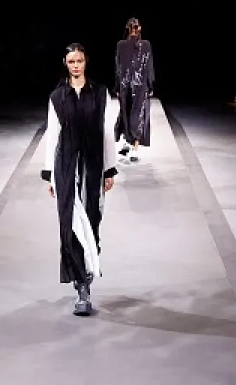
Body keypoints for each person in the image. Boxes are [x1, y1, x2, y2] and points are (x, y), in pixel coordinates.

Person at [42, 43, 119, 317]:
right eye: (72, 61)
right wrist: (50, 174)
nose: (76, 65)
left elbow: (107, 132)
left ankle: (87, 271)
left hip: (93, 165)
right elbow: (52, 136)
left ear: (86, 62)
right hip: (65, 166)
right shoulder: (57, 97)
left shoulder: (100, 93)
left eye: (80, 60)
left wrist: (110, 169)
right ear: (65, 62)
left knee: (91, 219)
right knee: (69, 224)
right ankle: (81, 288)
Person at [114, 18, 154, 162]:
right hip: (138, 85)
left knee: (128, 113)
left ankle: (131, 145)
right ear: (140, 28)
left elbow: (118, 68)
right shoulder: (145, 45)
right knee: (137, 115)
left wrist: (117, 86)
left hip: (127, 84)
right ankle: (132, 146)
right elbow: (148, 66)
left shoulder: (122, 45)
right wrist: (150, 85)